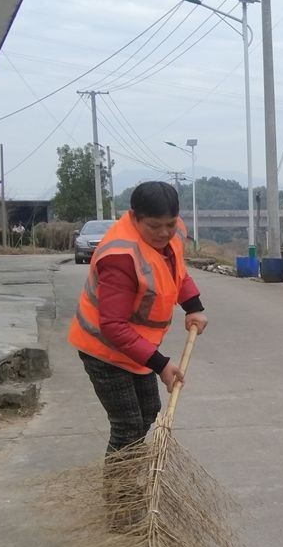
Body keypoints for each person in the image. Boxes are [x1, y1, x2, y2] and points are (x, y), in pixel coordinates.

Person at [68, 181, 209, 461]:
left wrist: (192, 306)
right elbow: (113, 326)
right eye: (154, 226)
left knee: (148, 411)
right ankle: (121, 500)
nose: (164, 233)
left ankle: (132, 478)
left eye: (170, 224)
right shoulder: (121, 257)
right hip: (104, 350)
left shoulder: (172, 234)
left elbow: (175, 271)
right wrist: (161, 364)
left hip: (136, 347)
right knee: (128, 426)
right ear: (134, 217)